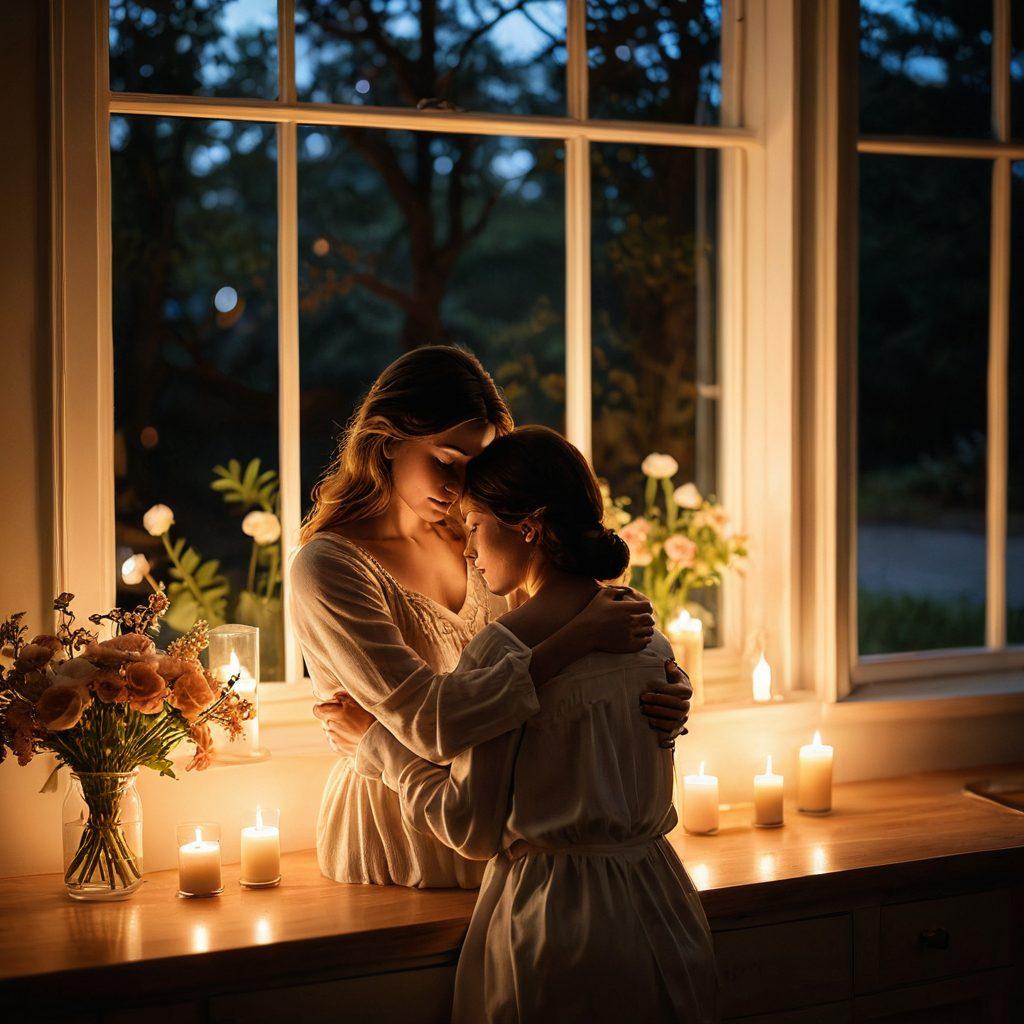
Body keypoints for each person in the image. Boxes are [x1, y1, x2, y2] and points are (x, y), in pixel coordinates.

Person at [288, 346, 692, 888]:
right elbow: (430, 728)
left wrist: (661, 683)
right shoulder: (328, 568)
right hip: (401, 833)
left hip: (510, 830)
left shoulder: (482, 537)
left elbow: (561, 652)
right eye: (446, 461)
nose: (458, 487)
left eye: (476, 466)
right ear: (385, 444)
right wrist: (578, 639)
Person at [356, 425, 718, 1022]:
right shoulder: (645, 637)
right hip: (664, 907)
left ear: (527, 525)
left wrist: (379, 751)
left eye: (473, 527)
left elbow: (469, 828)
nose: (467, 550)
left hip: (557, 923)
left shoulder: (501, 653)